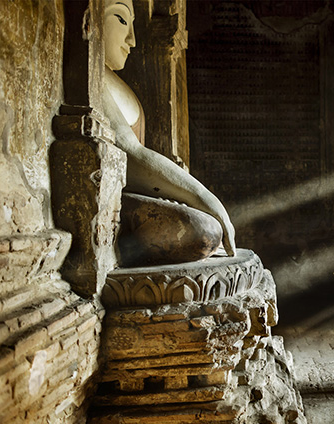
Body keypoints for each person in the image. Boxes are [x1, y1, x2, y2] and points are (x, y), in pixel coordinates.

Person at [100, 0, 236, 266]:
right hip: (112, 200)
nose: (132, 40)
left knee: (205, 228)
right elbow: (131, 153)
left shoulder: (117, 83)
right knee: (202, 231)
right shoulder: (93, 78)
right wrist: (208, 199)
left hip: (140, 193)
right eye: (121, 19)